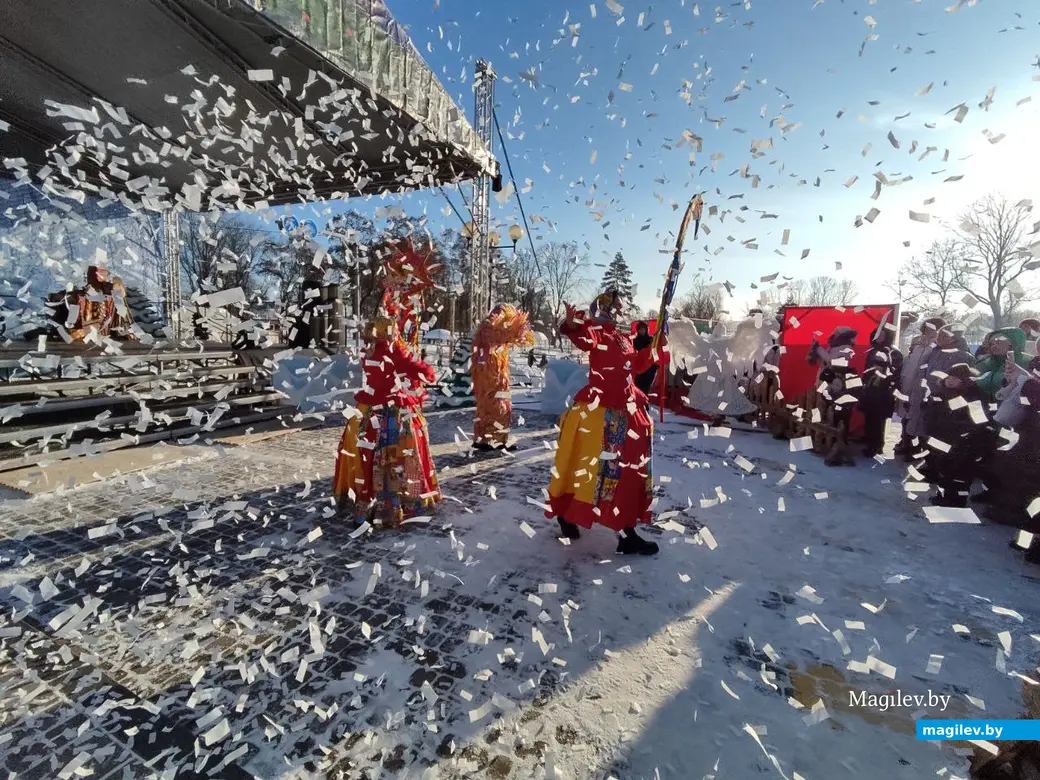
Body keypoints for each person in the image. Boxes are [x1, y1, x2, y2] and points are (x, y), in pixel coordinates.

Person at [545, 290, 665, 555]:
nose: (619, 309)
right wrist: (573, 324)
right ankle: (568, 514)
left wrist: (653, 349)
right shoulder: (596, 329)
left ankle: (626, 531)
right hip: (599, 413)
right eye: (614, 305)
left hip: (626, 409)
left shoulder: (623, 337)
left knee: (629, 472)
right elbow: (584, 338)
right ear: (602, 307)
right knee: (587, 470)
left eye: (619, 306)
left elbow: (633, 366)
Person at [332, 312, 441, 525]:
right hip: (393, 412)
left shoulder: (369, 351)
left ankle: (364, 503)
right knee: (401, 454)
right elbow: (420, 370)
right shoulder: (394, 351)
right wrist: (428, 372)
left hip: (366, 410)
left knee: (363, 455)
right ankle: (397, 502)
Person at [471, 303, 536, 450]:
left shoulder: (487, 329)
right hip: (490, 374)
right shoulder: (490, 328)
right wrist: (517, 332)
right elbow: (504, 335)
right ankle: (491, 441)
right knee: (496, 405)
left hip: (494, 373)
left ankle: (486, 439)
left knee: (491, 405)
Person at [928, 363, 988, 507]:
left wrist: (964, 433)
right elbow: (931, 414)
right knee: (943, 467)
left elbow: (978, 419)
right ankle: (944, 495)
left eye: (955, 378)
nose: (950, 380)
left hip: (963, 442)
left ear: (965, 380)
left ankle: (956, 500)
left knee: (959, 472)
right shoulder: (941, 392)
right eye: (949, 377)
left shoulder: (973, 395)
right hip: (943, 438)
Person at [859, 327, 904, 458]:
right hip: (870, 388)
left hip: (884, 391)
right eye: (876, 334)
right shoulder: (873, 350)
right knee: (869, 416)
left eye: (881, 334)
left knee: (879, 419)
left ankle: (876, 446)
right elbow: (867, 369)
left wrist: (883, 372)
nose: (878, 337)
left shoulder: (894, 351)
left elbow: (895, 373)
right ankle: (869, 440)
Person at [974, 327, 1031, 402]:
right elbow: (972, 380)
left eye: (998, 342)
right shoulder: (985, 362)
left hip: (1015, 407)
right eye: (991, 344)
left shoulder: (1028, 362)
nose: (993, 346)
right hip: (982, 407)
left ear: (1013, 342)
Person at [632, 321, 658, 396]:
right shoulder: (635, 341)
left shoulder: (651, 340)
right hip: (639, 368)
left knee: (645, 389)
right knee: (637, 388)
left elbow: (655, 352)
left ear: (646, 329)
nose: (642, 330)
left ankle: (644, 405)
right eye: (640, 329)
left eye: (643, 329)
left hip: (650, 368)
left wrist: (655, 364)